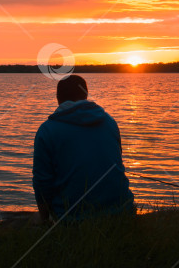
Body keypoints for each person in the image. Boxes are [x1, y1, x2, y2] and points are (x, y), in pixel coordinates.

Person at [32, 75, 134, 222]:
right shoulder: (109, 122)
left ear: (58, 98)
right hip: (123, 211)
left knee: (34, 219)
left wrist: (44, 219)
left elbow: (42, 182)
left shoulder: (47, 130)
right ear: (85, 95)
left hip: (74, 220)